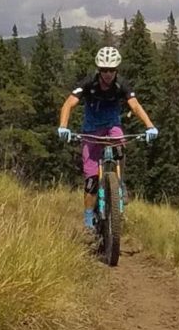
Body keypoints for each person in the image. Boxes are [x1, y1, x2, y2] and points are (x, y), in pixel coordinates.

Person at [57, 45, 157, 230]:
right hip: (91, 131)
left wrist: (149, 126)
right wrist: (63, 126)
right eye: (104, 70)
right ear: (99, 69)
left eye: (111, 70)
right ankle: (88, 220)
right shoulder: (89, 83)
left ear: (116, 70)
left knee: (120, 147)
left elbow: (135, 106)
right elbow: (68, 104)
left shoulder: (121, 85)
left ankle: (120, 183)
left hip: (112, 126)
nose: (108, 74)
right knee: (91, 180)